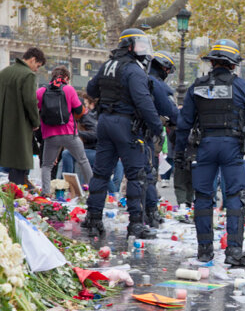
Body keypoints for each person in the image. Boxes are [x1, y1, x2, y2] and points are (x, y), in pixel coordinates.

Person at [175, 39, 245, 265]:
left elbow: (184, 123)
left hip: (205, 146)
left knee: (202, 197)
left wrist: (179, 153)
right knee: (234, 196)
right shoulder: (241, 86)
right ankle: (233, 251)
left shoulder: (197, 86)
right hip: (231, 146)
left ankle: (204, 250)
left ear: (212, 62)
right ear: (232, 65)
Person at [84, 29, 162, 239]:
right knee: (136, 175)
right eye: (140, 45)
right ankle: (136, 224)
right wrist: (157, 127)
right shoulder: (134, 70)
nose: (144, 50)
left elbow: (91, 90)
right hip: (126, 125)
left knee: (101, 172)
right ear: (129, 46)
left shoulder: (108, 65)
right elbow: (144, 102)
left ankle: (93, 218)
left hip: (105, 122)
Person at [37, 65, 93, 193]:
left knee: (47, 166)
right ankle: (94, 191)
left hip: (50, 135)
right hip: (69, 134)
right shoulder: (69, 89)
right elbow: (79, 110)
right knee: (83, 161)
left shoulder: (41, 91)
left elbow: (37, 109)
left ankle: (46, 194)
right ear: (66, 77)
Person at [0, 47, 46, 185]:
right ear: (32, 60)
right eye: (37, 66)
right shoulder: (28, 75)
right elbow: (30, 101)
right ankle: (14, 198)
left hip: (3, 125)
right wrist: (35, 121)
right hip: (19, 126)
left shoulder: (5, 72)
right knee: (19, 163)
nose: (36, 70)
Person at [144, 51, 179, 227]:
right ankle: (149, 215)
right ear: (164, 68)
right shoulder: (158, 85)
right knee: (149, 175)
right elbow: (171, 112)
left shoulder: (135, 77)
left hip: (117, 130)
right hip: (145, 135)